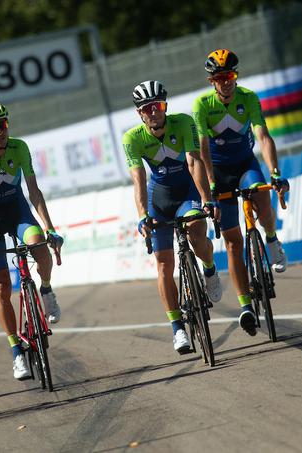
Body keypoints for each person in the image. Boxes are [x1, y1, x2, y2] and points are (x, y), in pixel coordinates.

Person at [193, 49, 289, 336]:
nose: (226, 82)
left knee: (261, 192)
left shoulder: (248, 98)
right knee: (234, 243)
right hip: (219, 173)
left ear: (236, 76)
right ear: (212, 80)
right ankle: (245, 304)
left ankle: (271, 240)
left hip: (246, 163)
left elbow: (263, 135)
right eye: (220, 77)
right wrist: (210, 186)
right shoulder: (202, 105)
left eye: (231, 76)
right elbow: (203, 150)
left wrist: (275, 173)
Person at [123, 80, 223, 354]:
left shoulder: (183, 122)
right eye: (147, 108)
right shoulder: (132, 138)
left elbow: (194, 161)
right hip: (160, 199)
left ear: (165, 106)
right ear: (140, 113)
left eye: (158, 106)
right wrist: (143, 215)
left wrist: (206, 199)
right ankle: (178, 328)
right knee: (164, 264)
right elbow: (138, 179)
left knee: (195, 228)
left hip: (186, 189)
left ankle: (210, 269)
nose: (154, 112)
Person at [0, 101, 64, 380]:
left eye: (3, 125)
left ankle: (45, 290)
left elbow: (33, 191)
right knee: (1, 288)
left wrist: (49, 227)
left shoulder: (19, 148)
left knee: (39, 245)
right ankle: (16, 353)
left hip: (18, 211)